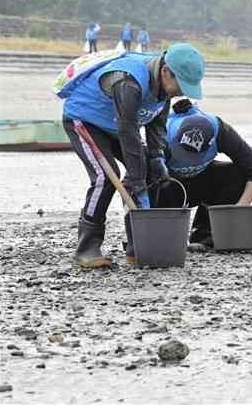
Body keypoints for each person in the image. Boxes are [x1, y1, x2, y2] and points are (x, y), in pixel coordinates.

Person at [61, 43, 206, 268]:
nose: (181, 93)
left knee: (148, 170)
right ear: (166, 71)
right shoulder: (129, 82)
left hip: (116, 125)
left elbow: (156, 126)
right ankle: (87, 248)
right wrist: (137, 179)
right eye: (181, 85)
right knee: (105, 177)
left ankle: (137, 246)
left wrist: (156, 158)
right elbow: (128, 130)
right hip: (85, 121)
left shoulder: (163, 86)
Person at [152, 99, 252, 253]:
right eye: (184, 155)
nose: (188, 161)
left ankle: (205, 236)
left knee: (238, 174)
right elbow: (135, 180)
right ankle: (163, 232)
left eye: (193, 156)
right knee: (151, 179)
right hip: (170, 188)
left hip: (203, 184)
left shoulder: (219, 130)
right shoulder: (162, 135)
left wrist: (237, 212)